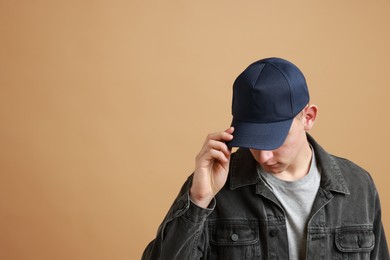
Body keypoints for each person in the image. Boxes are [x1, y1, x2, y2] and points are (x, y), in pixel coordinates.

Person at [142, 57, 389, 259]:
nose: (264, 155)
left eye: (275, 138)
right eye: (253, 140)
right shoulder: (213, 186)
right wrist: (198, 202)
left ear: (309, 117)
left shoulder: (359, 186)